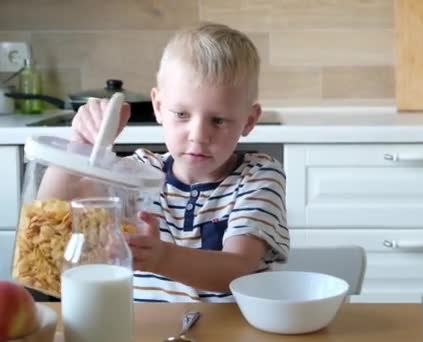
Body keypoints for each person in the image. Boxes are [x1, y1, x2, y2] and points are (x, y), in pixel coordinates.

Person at [43, 23, 289, 302]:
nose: (198, 136)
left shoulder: (258, 177)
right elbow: (50, 220)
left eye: (218, 120)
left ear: (249, 120)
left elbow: (237, 270)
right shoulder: (138, 171)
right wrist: (79, 144)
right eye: (182, 114)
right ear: (158, 107)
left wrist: (161, 258)